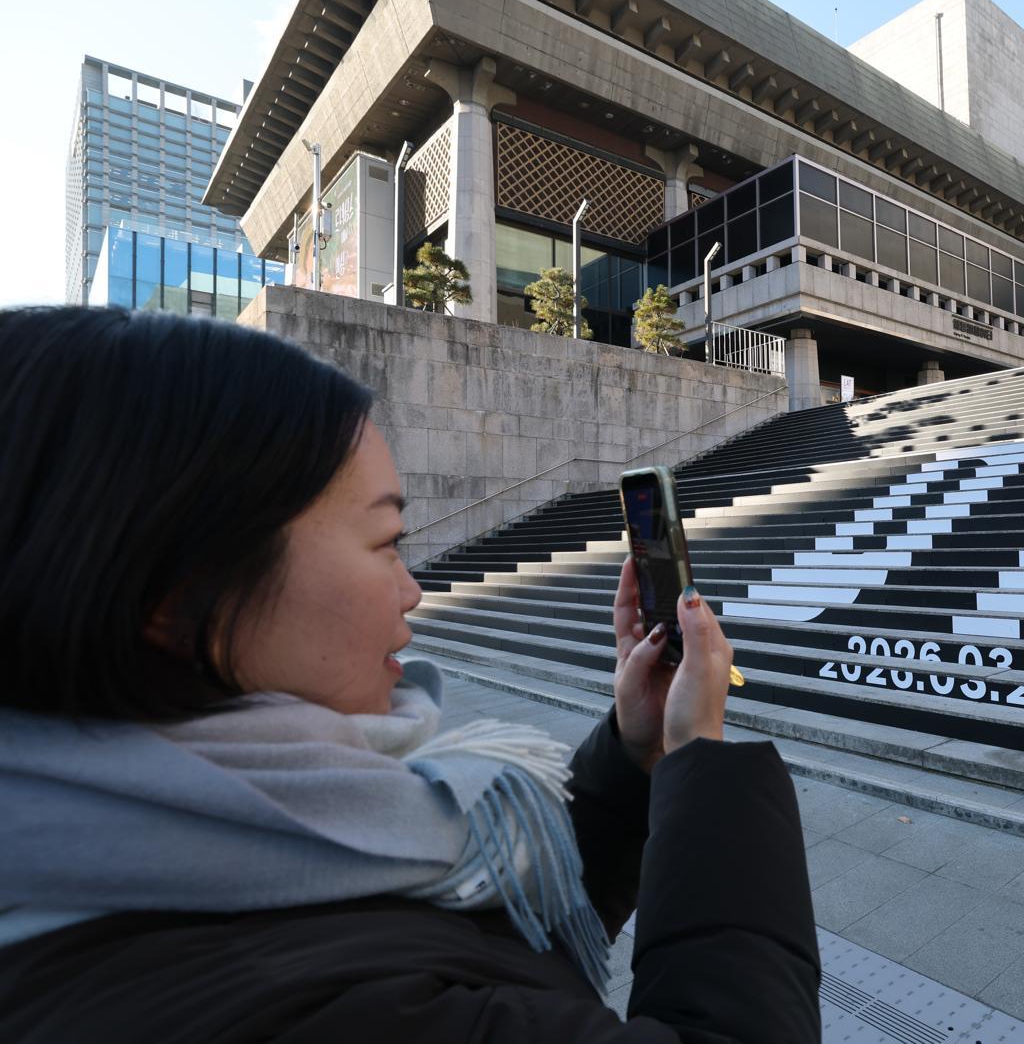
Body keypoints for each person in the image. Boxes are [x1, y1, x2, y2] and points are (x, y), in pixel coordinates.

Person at [0, 307, 821, 1042]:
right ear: (175, 597)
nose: (413, 588)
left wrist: (633, 753)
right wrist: (697, 762)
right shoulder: (278, 1001)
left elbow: (491, 948)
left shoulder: (243, 844)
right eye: (385, 542)